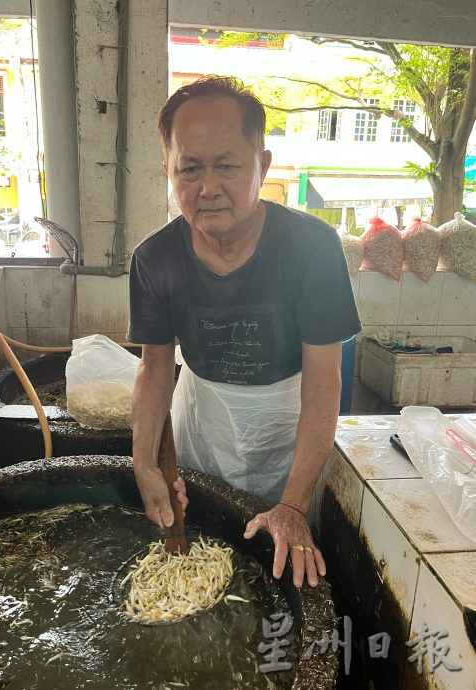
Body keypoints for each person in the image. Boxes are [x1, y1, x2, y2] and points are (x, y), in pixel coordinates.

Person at [128, 76, 361, 588]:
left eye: (227, 165)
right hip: (203, 421)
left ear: (264, 164)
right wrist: (144, 460)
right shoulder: (154, 260)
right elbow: (156, 367)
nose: (208, 187)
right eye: (189, 167)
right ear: (167, 169)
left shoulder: (312, 249)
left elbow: (324, 382)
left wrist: (294, 504)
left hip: (290, 428)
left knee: (279, 564)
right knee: (206, 555)